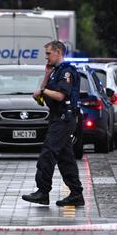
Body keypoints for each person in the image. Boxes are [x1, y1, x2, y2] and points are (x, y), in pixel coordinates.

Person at [21, 41, 84, 207]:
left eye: (49, 54)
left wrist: (42, 91)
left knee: (48, 153)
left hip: (64, 118)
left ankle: (43, 192)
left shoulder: (67, 71)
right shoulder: (55, 72)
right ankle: (76, 193)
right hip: (58, 118)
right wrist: (46, 76)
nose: (46, 57)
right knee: (65, 158)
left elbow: (60, 96)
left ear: (58, 52)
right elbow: (43, 95)